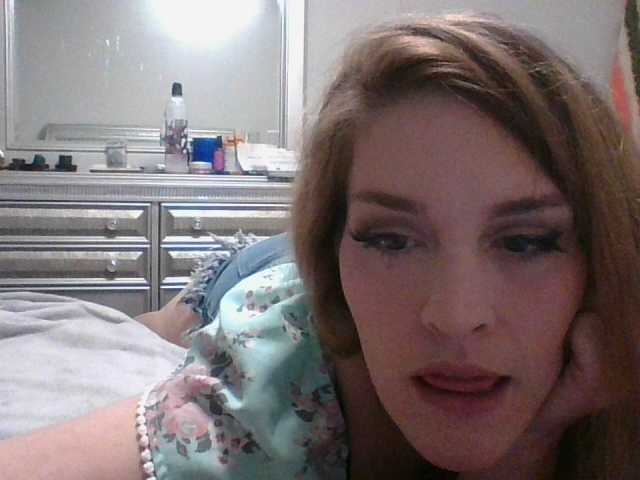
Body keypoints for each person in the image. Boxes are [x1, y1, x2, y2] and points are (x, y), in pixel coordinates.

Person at [2, 12, 640, 479]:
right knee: (159, 325)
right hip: (253, 272)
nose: (454, 315)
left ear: (602, 253)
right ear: (331, 253)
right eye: (391, 239)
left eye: (526, 242)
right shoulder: (276, 392)